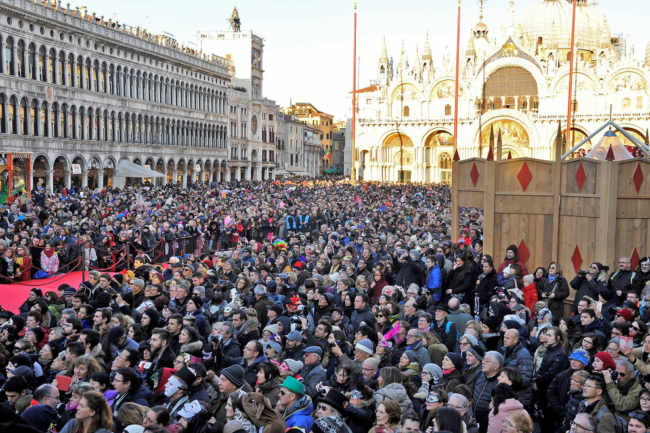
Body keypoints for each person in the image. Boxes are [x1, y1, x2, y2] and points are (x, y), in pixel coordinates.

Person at [473, 351, 503, 433]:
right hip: (474, 417)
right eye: (483, 360)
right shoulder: (479, 374)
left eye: (487, 361)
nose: (483, 362)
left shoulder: (500, 382)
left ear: (496, 366)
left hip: (489, 422)